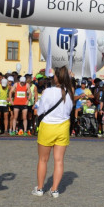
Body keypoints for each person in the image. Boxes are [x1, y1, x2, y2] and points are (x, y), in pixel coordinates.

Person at [33, 66, 74, 197]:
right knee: (59, 160)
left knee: (43, 160)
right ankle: (55, 189)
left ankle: (40, 188)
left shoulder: (48, 92)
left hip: (48, 127)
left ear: (56, 77)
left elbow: (40, 111)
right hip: (63, 127)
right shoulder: (70, 91)